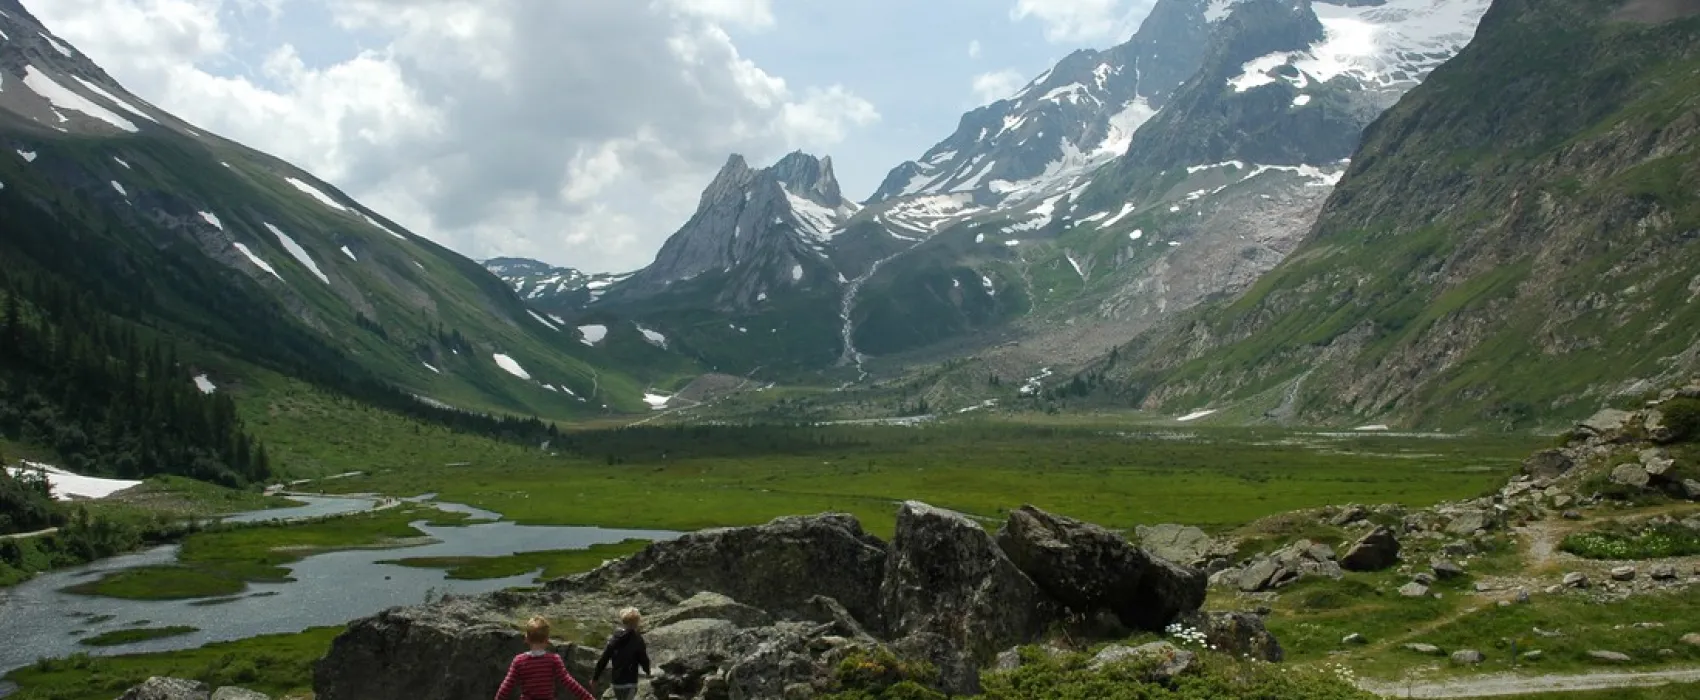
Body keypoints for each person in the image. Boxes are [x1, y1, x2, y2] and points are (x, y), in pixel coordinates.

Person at [495, 616, 596, 700]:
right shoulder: (554, 660)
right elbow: (569, 682)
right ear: (547, 640)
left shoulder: (519, 661)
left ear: (527, 639)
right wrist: (588, 698)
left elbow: (506, 686)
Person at [592, 607, 651, 700]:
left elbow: (604, 659)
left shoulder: (614, 638)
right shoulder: (637, 639)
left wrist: (595, 678)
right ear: (636, 623)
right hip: (631, 681)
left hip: (617, 682)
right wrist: (647, 671)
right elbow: (643, 659)